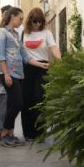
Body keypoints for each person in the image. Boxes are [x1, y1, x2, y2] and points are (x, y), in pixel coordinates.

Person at [0, 7, 48, 147]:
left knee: (14, 103)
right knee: (18, 103)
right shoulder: (1, 33)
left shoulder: (16, 35)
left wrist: (40, 65)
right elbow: (0, 56)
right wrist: (6, 74)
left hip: (18, 74)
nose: (21, 21)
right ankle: (4, 133)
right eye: (20, 18)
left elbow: (25, 56)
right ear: (12, 17)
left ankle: (10, 134)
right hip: (8, 73)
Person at [21, 8, 61, 141]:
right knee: (27, 100)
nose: (37, 24)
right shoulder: (23, 33)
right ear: (29, 21)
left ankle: (40, 132)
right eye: (34, 21)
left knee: (40, 99)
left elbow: (54, 47)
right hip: (27, 67)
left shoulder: (47, 33)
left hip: (43, 67)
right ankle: (28, 133)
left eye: (40, 21)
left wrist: (60, 60)